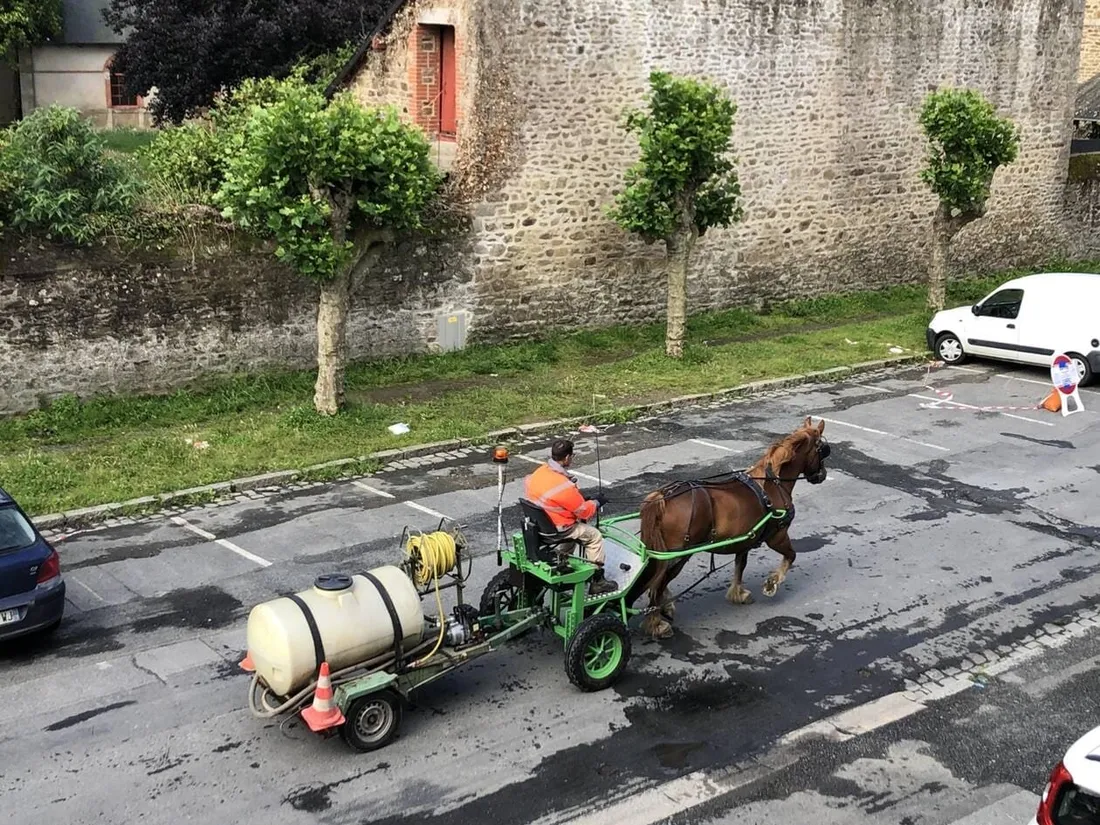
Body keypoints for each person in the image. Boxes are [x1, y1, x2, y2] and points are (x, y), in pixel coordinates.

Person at [523, 438, 618, 595]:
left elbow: (556, 498)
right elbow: (584, 512)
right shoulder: (563, 485)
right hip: (559, 528)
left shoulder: (539, 473)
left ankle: (563, 560)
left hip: (541, 524)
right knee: (593, 536)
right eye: (572, 456)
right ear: (567, 457)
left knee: (575, 532)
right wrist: (597, 502)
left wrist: (581, 499)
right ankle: (598, 581)